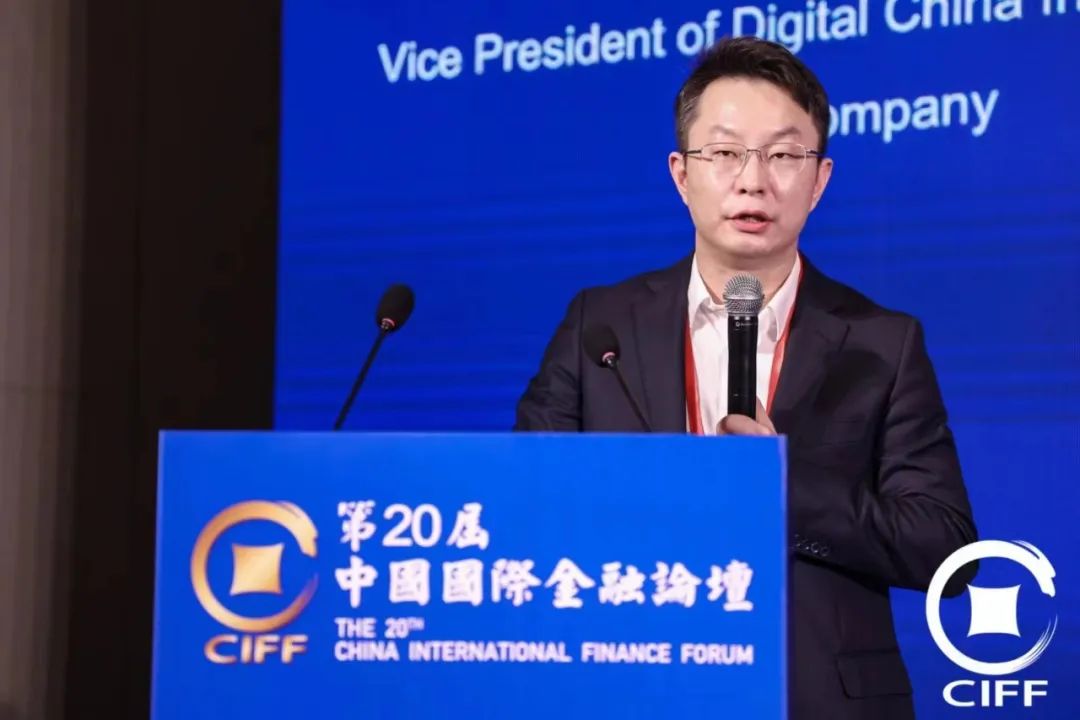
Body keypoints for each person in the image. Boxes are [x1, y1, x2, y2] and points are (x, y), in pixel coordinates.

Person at [514, 36, 977, 720]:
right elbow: (525, 503)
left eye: (784, 156)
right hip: (632, 685)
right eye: (725, 153)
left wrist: (783, 487)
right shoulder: (599, 326)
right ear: (682, 174)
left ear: (820, 180)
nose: (753, 181)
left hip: (815, 699)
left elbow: (948, 552)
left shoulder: (883, 342)